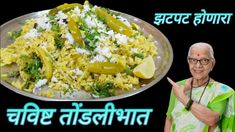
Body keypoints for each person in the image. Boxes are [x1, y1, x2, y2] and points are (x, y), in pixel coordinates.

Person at [164, 42, 234, 132]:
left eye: (204, 60)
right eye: (193, 60)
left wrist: (182, 97)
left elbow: (211, 119)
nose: (198, 65)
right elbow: (169, 119)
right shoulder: (178, 86)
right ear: (188, 61)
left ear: (212, 63)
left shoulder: (221, 91)